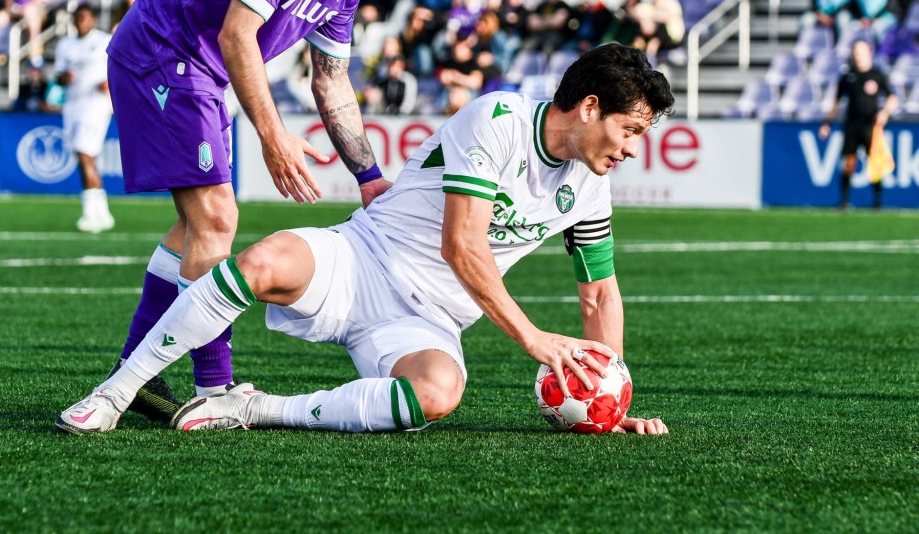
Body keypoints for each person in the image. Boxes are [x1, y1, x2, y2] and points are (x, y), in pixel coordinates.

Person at [57, 43, 674, 436]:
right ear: (590, 107)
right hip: (361, 260)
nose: (629, 148)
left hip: (428, 321)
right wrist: (533, 338)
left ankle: (252, 407)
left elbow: (599, 296)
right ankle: (115, 393)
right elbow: (464, 246)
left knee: (438, 394)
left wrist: (609, 395)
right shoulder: (500, 121)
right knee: (262, 260)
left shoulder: (590, 187)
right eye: (630, 129)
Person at [62, 0, 452, 423]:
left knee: (194, 226)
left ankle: (131, 374)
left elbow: (330, 78)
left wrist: (370, 176)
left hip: (205, 70)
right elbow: (236, 34)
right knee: (218, 218)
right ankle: (214, 386)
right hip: (164, 50)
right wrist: (272, 137)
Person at [53, 4, 115, 231]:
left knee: (84, 153)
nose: (81, 22)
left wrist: (109, 82)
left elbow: (118, 66)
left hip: (96, 104)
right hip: (72, 104)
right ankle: (103, 213)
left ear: (93, 19)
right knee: (86, 157)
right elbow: (57, 76)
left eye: (85, 18)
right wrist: (64, 78)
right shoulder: (65, 44)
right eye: (77, 18)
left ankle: (90, 213)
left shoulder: (103, 41)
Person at [819, 39, 896, 210]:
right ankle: (844, 200)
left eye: (861, 51)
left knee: (874, 163)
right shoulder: (848, 76)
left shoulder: (877, 74)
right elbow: (836, 103)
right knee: (849, 162)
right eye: (855, 51)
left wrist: (884, 113)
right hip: (852, 125)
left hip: (871, 126)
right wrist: (827, 123)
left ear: (869, 52)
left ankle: (878, 202)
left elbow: (892, 98)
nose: (857, 54)